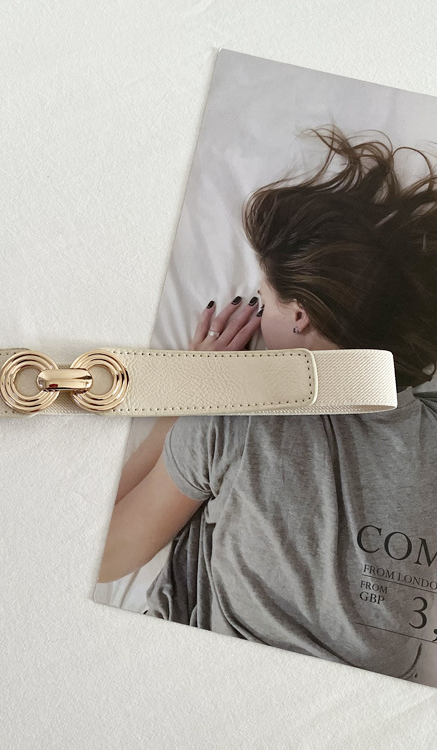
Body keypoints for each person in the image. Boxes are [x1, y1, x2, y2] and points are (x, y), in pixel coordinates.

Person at [97, 126, 437, 682]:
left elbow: (106, 554)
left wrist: (191, 394)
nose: (257, 312)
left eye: (263, 299)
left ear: (300, 316)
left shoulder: (232, 418)